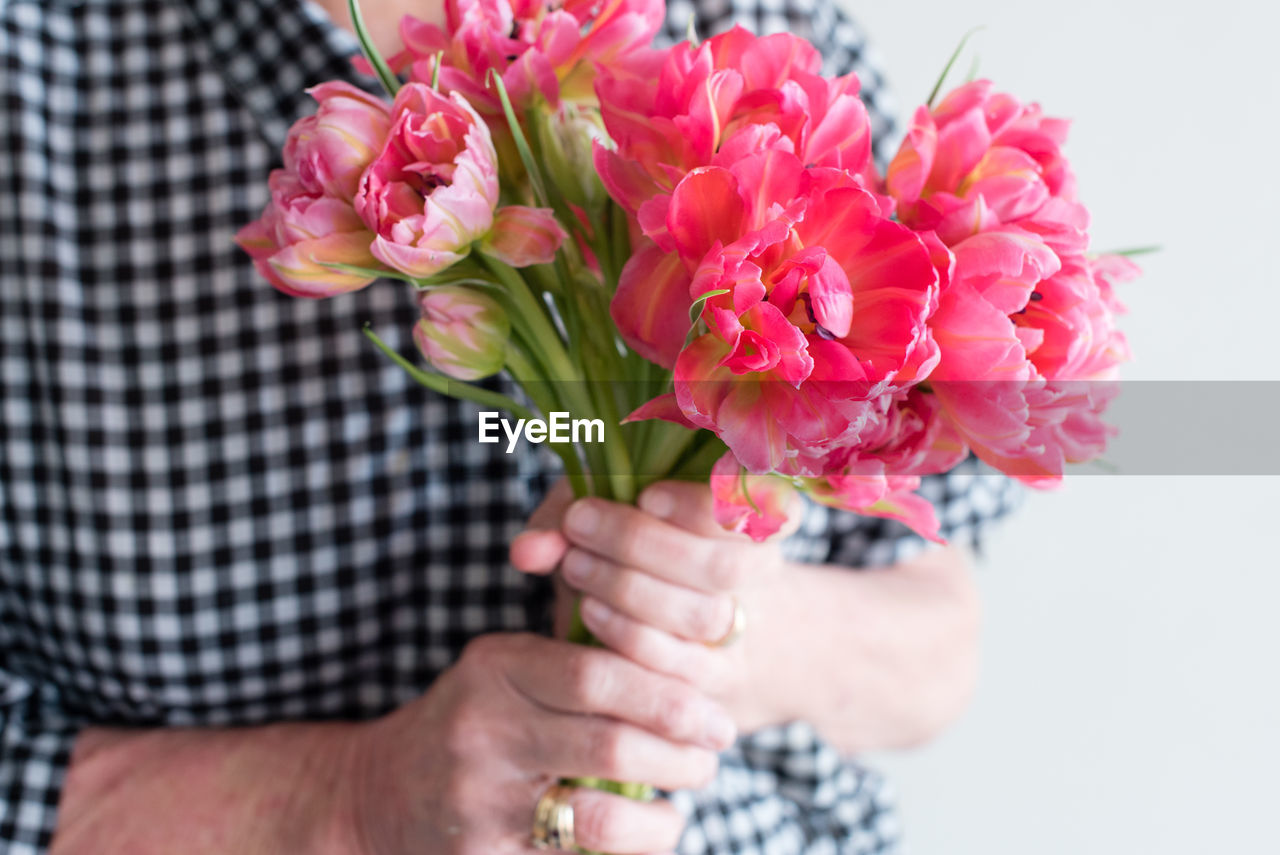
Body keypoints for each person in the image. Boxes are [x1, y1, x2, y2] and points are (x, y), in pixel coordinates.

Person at [0, 0, 1020, 852]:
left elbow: (939, 643)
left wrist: (729, 634)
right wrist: (344, 797)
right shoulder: (33, 70)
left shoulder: (754, 28)